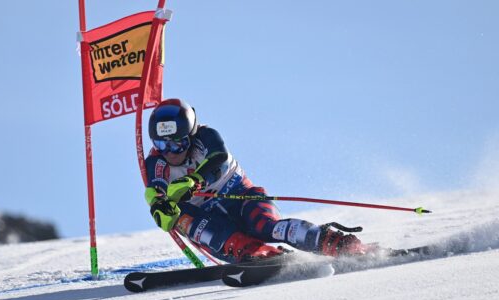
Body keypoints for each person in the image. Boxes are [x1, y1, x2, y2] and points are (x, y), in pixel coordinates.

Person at [144, 98, 368, 263]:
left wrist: (196, 181)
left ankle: (336, 243)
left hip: (242, 198)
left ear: (190, 136)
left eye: (177, 144)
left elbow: (218, 160)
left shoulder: (206, 137)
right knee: (186, 217)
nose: (170, 152)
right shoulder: (157, 163)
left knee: (267, 226)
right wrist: (159, 207)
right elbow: (156, 190)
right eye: (162, 144)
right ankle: (260, 255)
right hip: (211, 221)